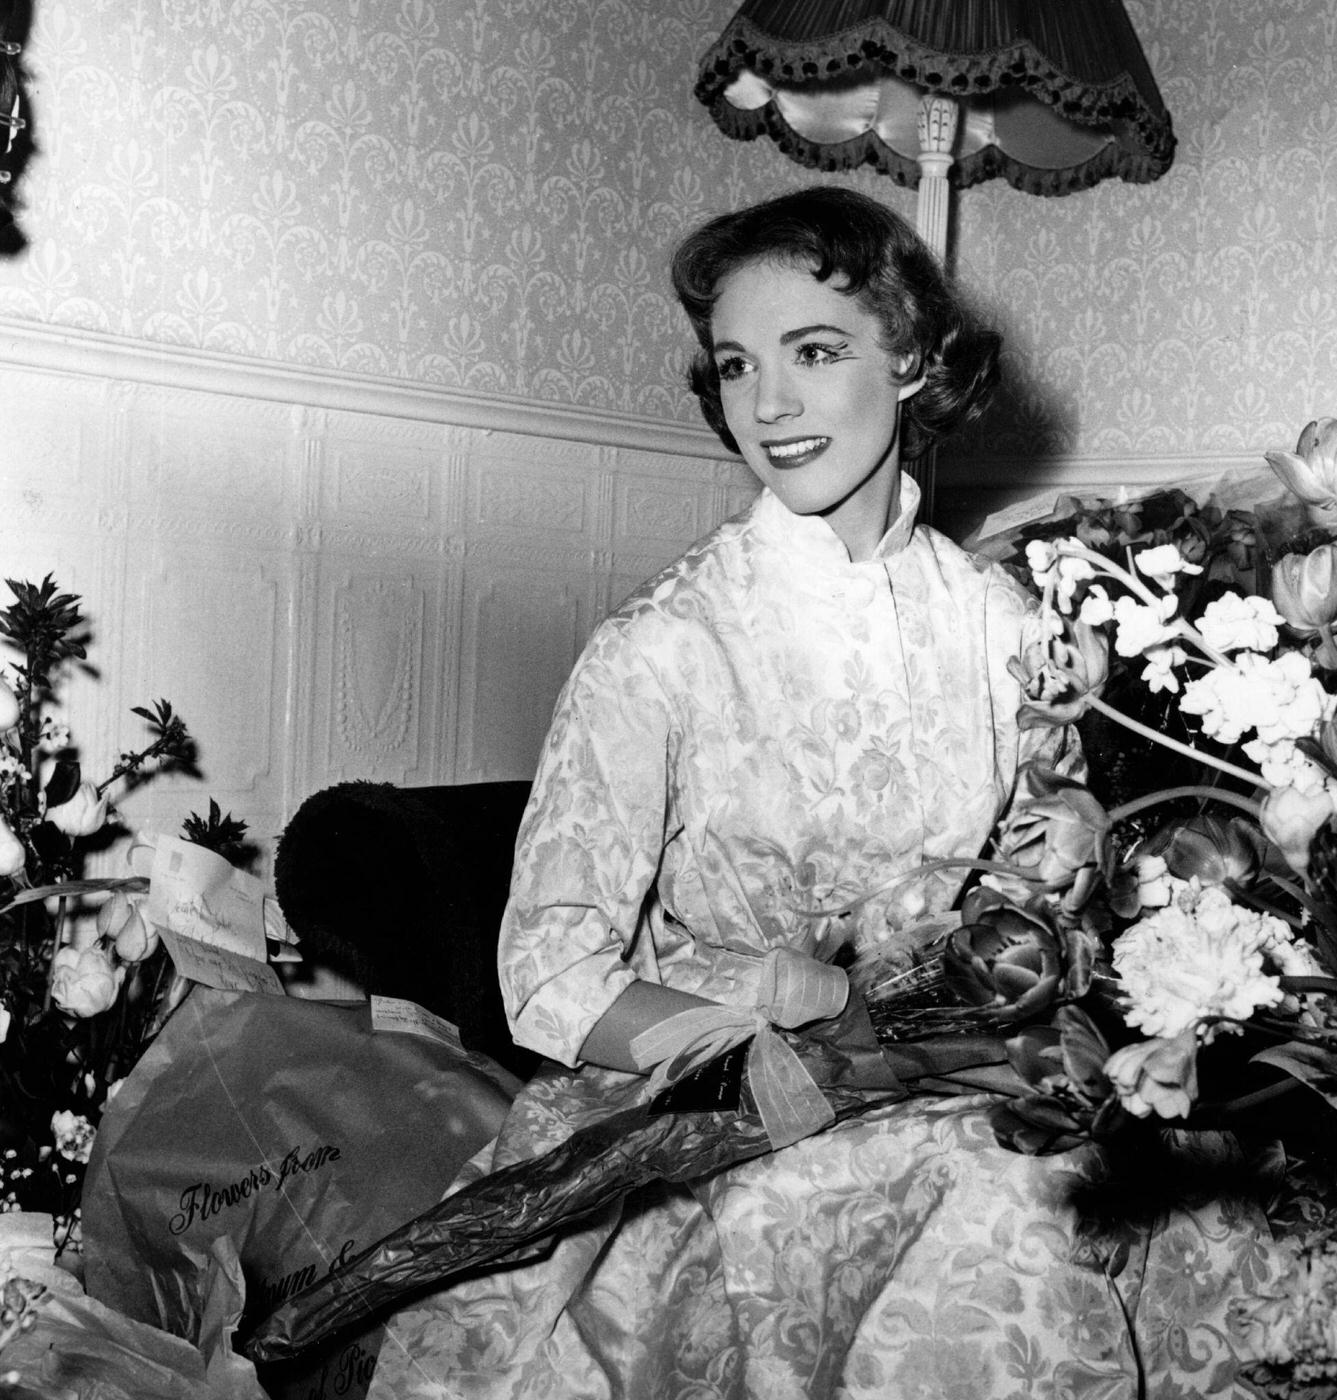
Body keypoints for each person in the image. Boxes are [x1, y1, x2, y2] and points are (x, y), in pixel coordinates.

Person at [365, 187, 1271, 1400]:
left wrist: (1066, 861)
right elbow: (545, 972)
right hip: (713, 1109)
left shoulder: (998, 623)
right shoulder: (662, 646)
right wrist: (787, 1008)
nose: (769, 405)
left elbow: (1026, 898)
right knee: (1011, 1209)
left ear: (908, 361)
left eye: (814, 351)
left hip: (959, 1083)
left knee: (1178, 1192)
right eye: (737, 365)